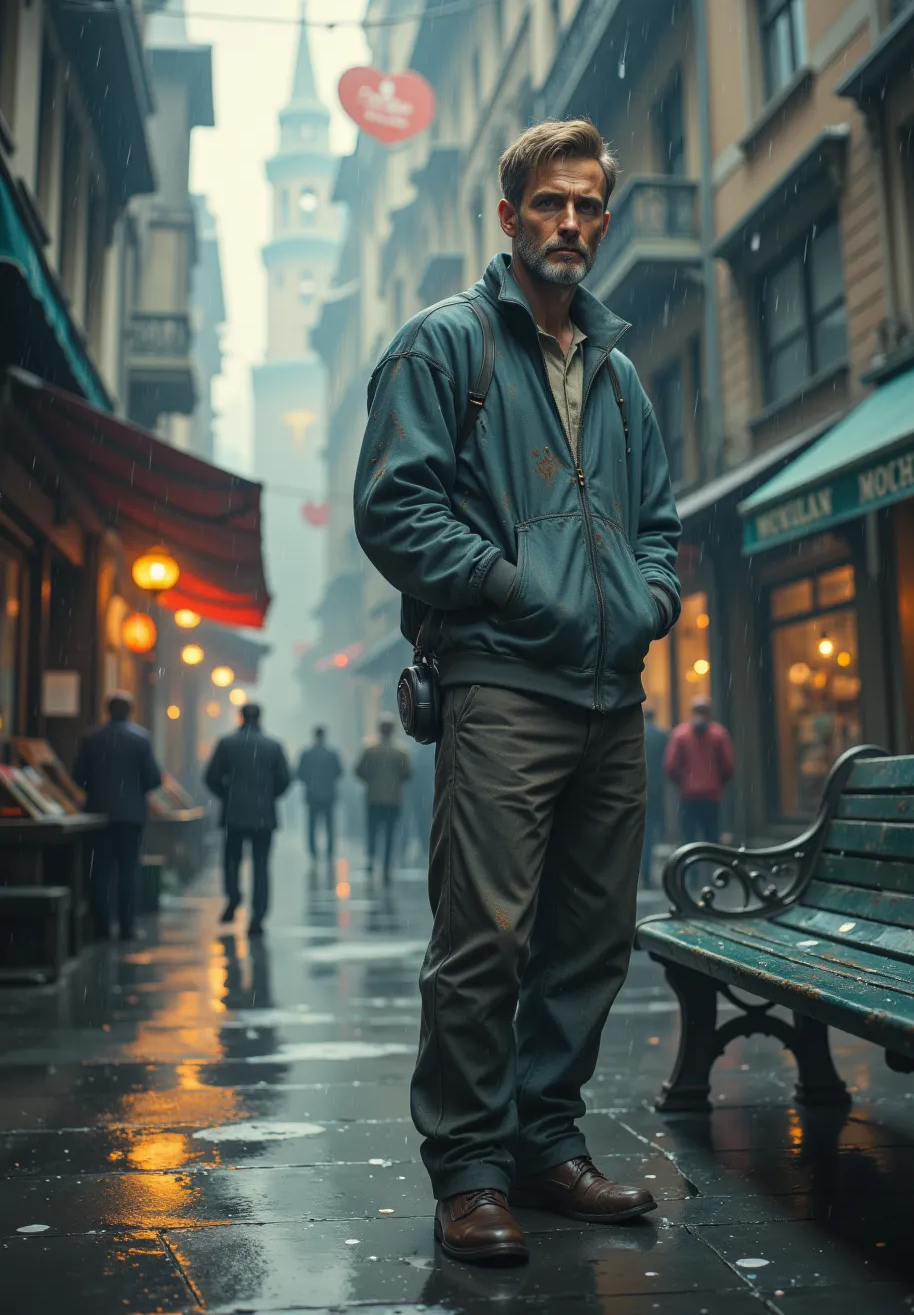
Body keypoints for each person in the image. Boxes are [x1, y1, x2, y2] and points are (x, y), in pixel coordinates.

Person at [353, 120, 681, 1265]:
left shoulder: (619, 370)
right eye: (551, 203)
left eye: (589, 205)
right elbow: (394, 509)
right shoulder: (445, 347)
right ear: (508, 217)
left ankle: (547, 1146)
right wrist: (507, 586)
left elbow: (658, 525)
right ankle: (471, 1172)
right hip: (500, 682)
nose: (573, 225)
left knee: (592, 937)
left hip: (611, 692)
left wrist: (649, 601)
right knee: (485, 935)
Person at [73, 690, 163, 942]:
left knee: (99, 871)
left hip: (98, 814)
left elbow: (78, 776)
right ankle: (127, 926)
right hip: (131, 815)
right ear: (130, 711)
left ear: (107, 710)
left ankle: (101, 926)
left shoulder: (92, 739)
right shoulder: (141, 739)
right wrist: (133, 792)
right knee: (128, 870)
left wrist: (98, 790)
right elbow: (153, 778)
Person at [204, 703, 291, 937]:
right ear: (260, 717)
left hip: (235, 814)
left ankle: (234, 896)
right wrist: (267, 796)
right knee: (261, 866)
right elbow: (284, 780)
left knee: (231, 861)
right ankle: (257, 917)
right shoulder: (273, 746)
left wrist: (228, 795)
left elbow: (211, 777)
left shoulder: (227, 744)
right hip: (264, 816)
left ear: (240, 717)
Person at [664, 696, 736, 845]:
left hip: (688, 794)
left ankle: (692, 868)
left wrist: (682, 782)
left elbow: (670, 765)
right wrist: (717, 782)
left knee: (689, 838)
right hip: (711, 794)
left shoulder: (680, 734)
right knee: (712, 837)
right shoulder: (719, 734)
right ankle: (712, 867)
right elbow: (728, 765)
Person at [354, 715, 411, 887]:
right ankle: (386, 866)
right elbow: (407, 774)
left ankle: (371, 860)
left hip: (374, 798)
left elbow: (358, 770)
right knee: (389, 834)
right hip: (393, 799)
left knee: (372, 831)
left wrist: (371, 780)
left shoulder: (370, 749)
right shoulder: (401, 751)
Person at [296, 726, 344, 860]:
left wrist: (310, 782)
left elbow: (299, 773)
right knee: (330, 825)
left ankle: (313, 851)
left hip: (312, 794)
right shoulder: (332, 754)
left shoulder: (306, 754)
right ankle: (329, 850)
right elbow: (339, 772)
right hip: (328, 794)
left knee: (312, 825)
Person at [641, 707, 670, 890]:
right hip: (655, 791)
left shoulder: (637, 735)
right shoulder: (662, 736)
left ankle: (637, 875)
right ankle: (646, 875)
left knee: (637, 834)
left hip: (635, 790)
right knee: (650, 834)